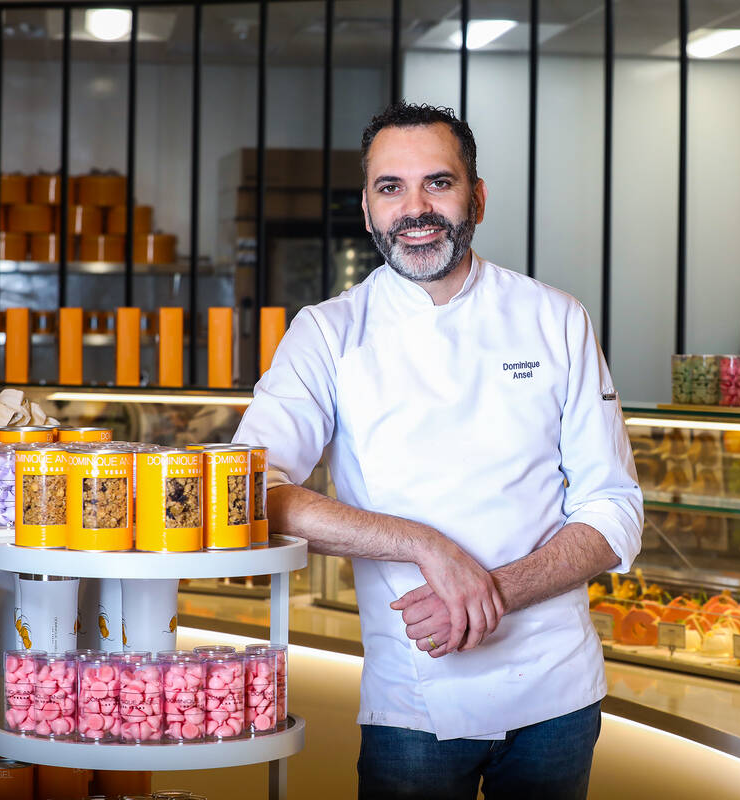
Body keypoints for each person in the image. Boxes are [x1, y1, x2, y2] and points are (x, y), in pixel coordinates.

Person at [233, 101, 643, 799]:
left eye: (439, 183)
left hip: (556, 691)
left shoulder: (555, 318)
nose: (415, 208)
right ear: (367, 209)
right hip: (413, 698)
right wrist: (427, 546)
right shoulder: (328, 332)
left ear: (477, 196)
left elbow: (614, 510)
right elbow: (250, 491)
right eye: (391, 187)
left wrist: (490, 591)